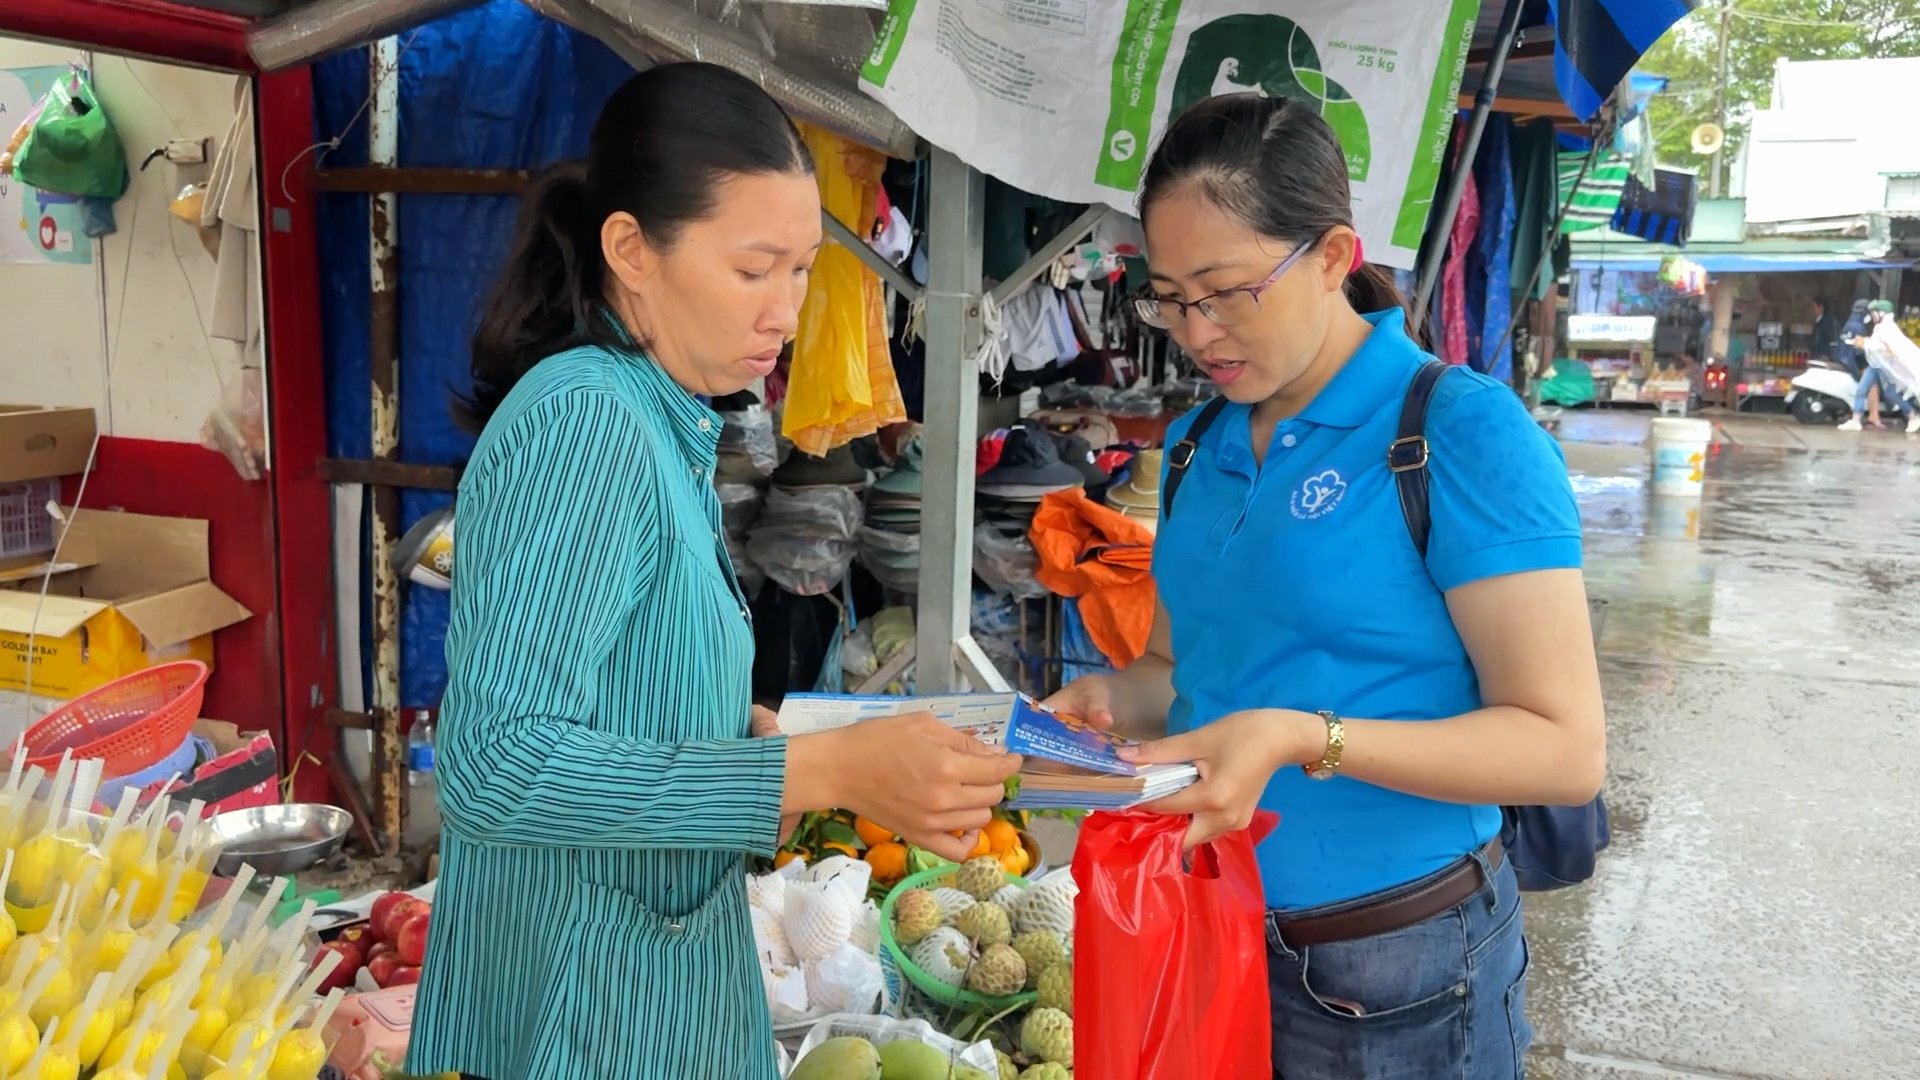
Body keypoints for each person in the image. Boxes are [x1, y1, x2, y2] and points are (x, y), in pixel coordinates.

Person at [406, 63, 1021, 1080]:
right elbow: (496, 764)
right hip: (578, 1014)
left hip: (641, 987)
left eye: (801, 270)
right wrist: (815, 769)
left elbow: (613, 688)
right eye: (753, 269)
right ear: (630, 251)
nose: (785, 308)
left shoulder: (662, 417)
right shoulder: (588, 421)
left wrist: (751, 730)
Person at [1045, 93, 1605, 1078]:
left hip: (1401, 967)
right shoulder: (1194, 447)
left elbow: (1563, 750)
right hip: (1208, 921)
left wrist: (1308, 737)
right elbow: (1178, 666)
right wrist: (1110, 699)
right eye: (1172, 298)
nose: (1197, 330)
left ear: (1336, 256)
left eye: (1225, 290)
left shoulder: (1457, 433)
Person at [1840, 299, 1920, 434]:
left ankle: (1913, 416)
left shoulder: (1889, 329)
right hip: (1875, 365)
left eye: (1874, 313)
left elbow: (1888, 349)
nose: (1872, 316)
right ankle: (1856, 420)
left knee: (1891, 394)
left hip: (1886, 367)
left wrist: (1865, 344)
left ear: (1882, 313)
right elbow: (1876, 344)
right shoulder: (1880, 327)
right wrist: (1864, 342)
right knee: (1861, 389)